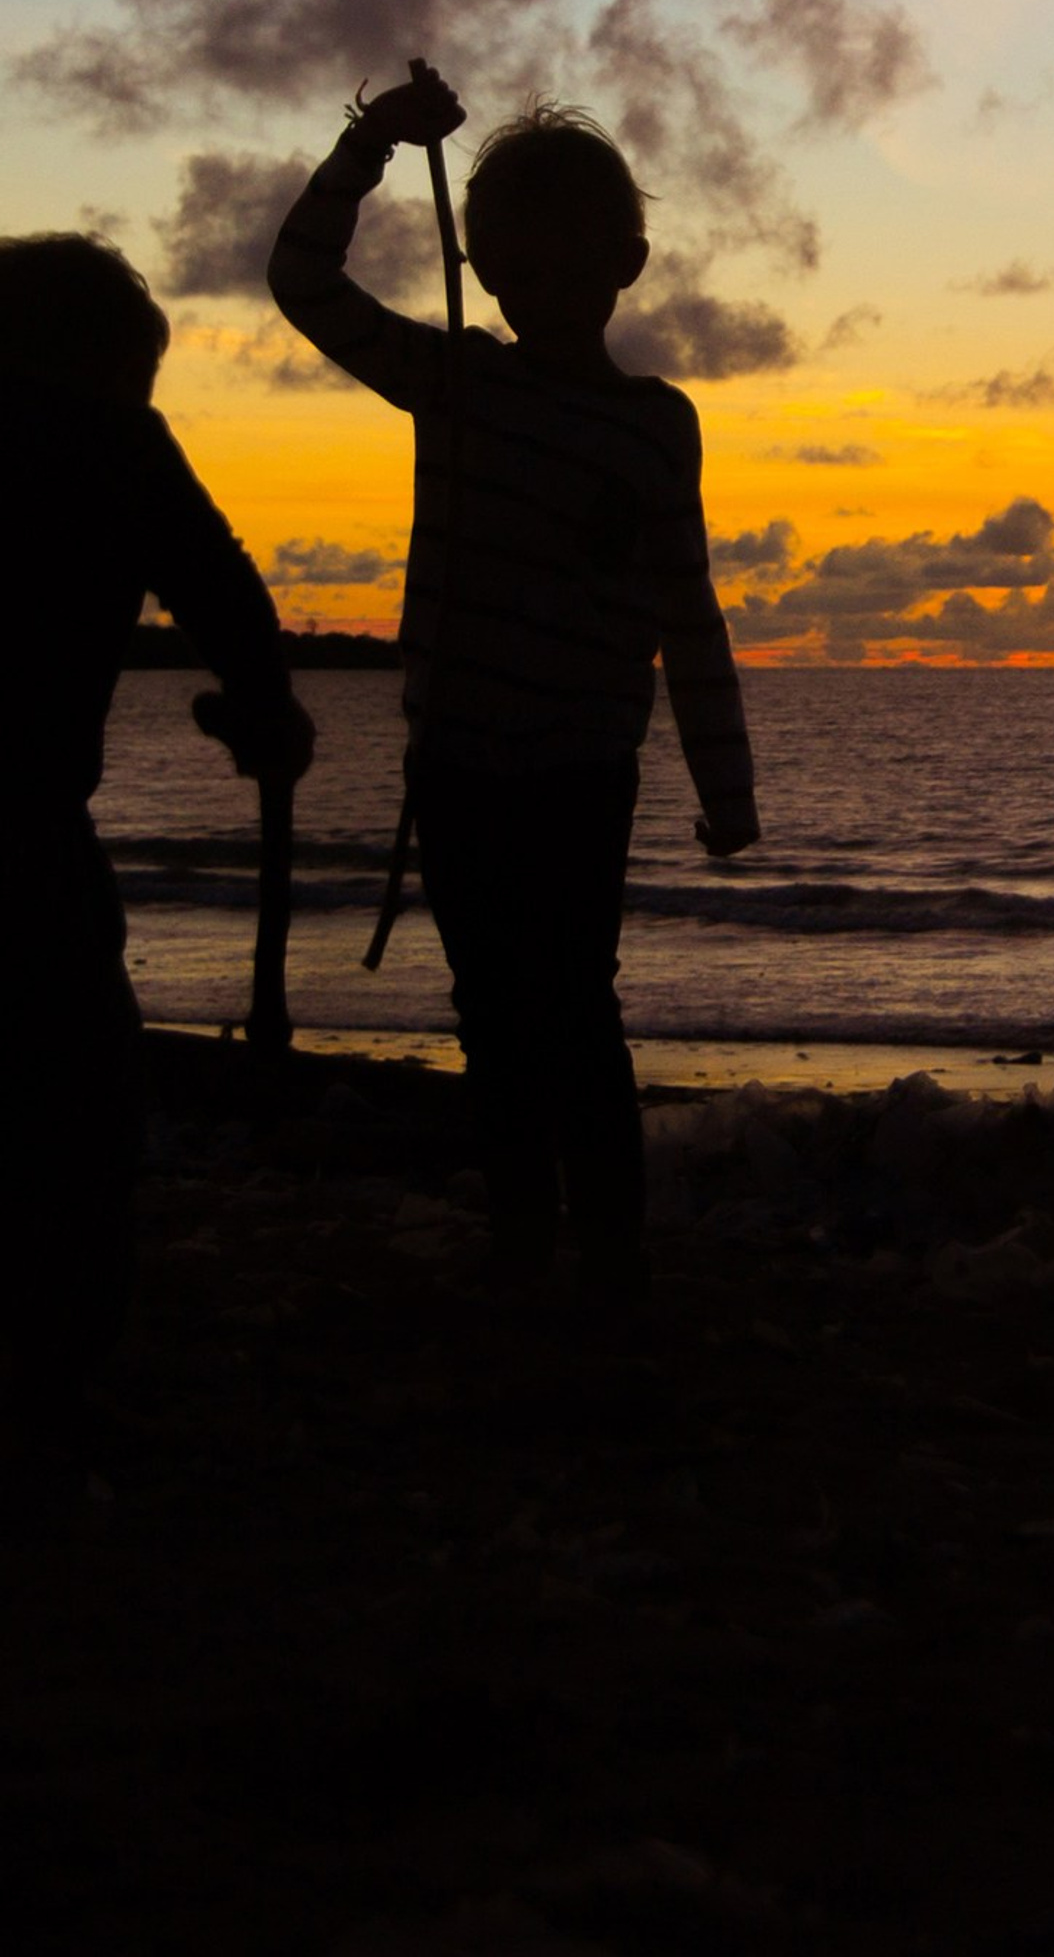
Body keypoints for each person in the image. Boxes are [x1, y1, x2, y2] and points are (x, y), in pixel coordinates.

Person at [270, 79, 760, 1296]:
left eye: (558, 270)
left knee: (574, 1010)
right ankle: (526, 1244)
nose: (529, 297)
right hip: (461, 760)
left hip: (582, 769)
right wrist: (370, 139)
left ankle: (602, 1252)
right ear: (481, 269)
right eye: (509, 273)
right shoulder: (460, 382)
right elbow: (303, 281)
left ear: (627, 265)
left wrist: (725, 779)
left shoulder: (658, 427)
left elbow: (685, 612)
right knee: (494, 1009)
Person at [0, 232, 311, 1488]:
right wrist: (266, 712)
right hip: (22, 829)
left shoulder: (96, 433)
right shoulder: (110, 439)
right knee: (77, 1106)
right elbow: (220, 585)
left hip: (28, 821)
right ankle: (52, 1390)